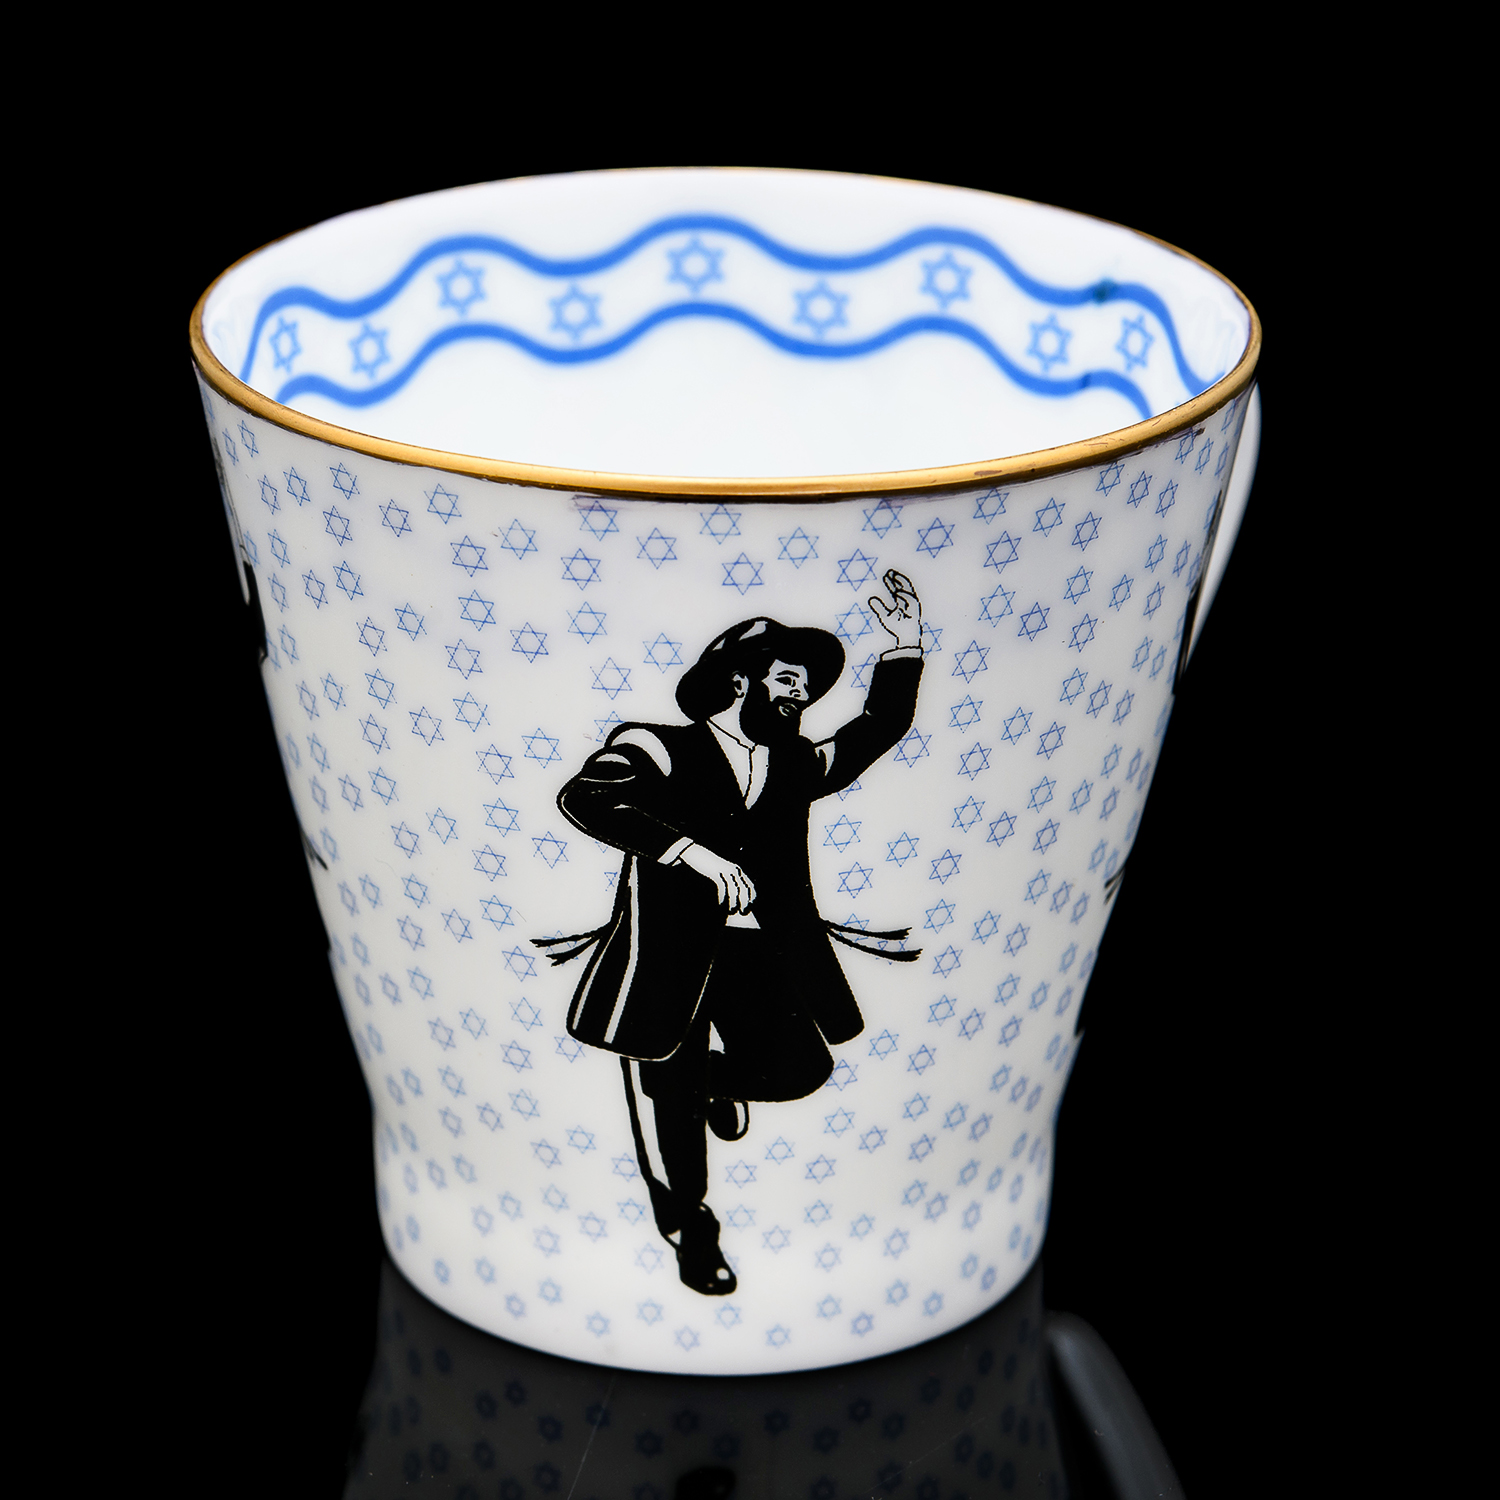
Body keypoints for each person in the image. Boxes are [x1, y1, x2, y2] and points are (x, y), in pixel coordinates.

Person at [535, 571, 925, 1295]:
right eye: (786, 679)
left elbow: (875, 729)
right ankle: (691, 1231)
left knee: (800, 1069)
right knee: (672, 1107)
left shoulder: (794, 763)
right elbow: (586, 797)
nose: (799, 695)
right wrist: (688, 852)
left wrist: (904, 649)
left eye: (807, 687)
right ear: (740, 679)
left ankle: (703, 1086)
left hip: (755, 952)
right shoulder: (657, 747)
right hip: (668, 955)